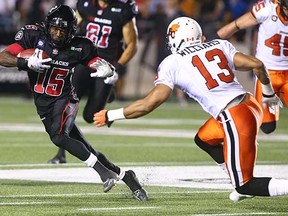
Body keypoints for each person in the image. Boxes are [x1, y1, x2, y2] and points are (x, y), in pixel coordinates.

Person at [93, 17, 288, 202]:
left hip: (234, 115)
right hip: (251, 105)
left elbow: (150, 103)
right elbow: (258, 64)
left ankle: (241, 183)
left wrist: (112, 115)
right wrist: (269, 94)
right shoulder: (219, 45)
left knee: (246, 185)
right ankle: (234, 174)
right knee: (204, 139)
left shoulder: (173, 62)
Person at [0, 4, 147, 201]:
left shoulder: (80, 45)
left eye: (63, 30)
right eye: (55, 29)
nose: (58, 34)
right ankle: (127, 177)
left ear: (72, 30)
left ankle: (103, 174)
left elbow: (95, 61)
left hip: (65, 98)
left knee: (59, 137)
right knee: (87, 149)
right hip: (43, 102)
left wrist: (106, 69)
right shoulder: (33, 35)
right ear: (47, 26)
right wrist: (24, 63)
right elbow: (3, 56)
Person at [48, 0, 139, 164]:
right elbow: (71, 27)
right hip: (83, 61)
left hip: (105, 66)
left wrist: (115, 69)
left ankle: (108, 93)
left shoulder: (123, 9)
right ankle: (61, 152)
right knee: (66, 105)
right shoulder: (85, 4)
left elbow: (132, 44)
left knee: (90, 116)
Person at [217, 0, 288, 134]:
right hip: (267, 73)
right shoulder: (267, 9)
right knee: (267, 127)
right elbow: (237, 25)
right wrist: (216, 38)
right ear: (281, 5)